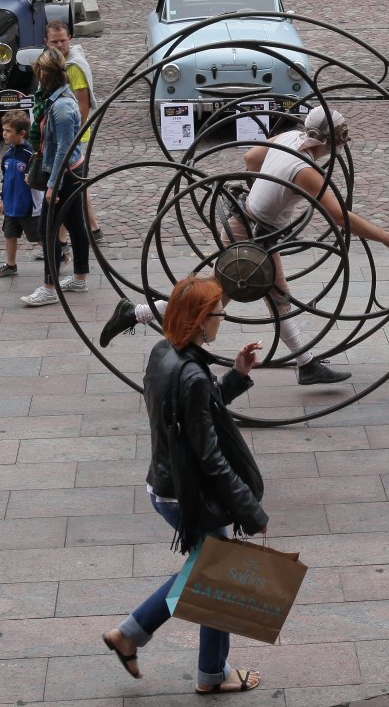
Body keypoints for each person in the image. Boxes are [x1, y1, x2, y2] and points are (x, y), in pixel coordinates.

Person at [101, 107, 389, 386]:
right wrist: (385, 236)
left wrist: (266, 187)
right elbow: (340, 217)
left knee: (262, 297)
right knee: (219, 298)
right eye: (340, 141)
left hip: (253, 227)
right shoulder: (306, 171)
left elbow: (250, 159)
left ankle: (306, 363)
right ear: (331, 141)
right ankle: (135, 312)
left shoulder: (289, 137)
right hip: (251, 235)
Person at [100, 273, 267, 695]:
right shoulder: (192, 374)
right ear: (200, 319)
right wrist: (250, 510)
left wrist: (236, 375)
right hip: (186, 495)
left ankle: (145, 641)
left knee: (209, 573)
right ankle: (202, 669)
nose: (222, 319)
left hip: (164, 484)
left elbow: (194, 414)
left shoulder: (165, 353)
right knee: (213, 577)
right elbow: (210, 457)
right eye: (219, 313)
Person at [21, 48, 91, 306]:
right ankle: (80, 279)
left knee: (47, 230)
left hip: (65, 174)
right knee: (75, 225)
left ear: (44, 74)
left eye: (39, 71)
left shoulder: (61, 106)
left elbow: (64, 148)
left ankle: (49, 287)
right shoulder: (53, 99)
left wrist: (53, 185)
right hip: (69, 171)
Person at [45, 19, 103, 244]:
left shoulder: (73, 67)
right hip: (62, 133)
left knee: (65, 185)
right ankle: (93, 228)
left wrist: (72, 136)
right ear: (46, 42)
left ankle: (60, 240)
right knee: (76, 184)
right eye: (55, 41)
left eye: (63, 40)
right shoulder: (54, 62)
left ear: (70, 38)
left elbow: (83, 104)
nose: (60, 45)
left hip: (72, 135)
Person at [0, 110, 39, 279]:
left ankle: (58, 255)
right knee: (9, 234)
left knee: (37, 236)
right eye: (3, 130)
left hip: (26, 205)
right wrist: (2, 200)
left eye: (8, 131)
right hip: (10, 203)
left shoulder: (30, 155)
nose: (4, 134)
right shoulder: (7, 156)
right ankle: (10, 265)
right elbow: (4, 180)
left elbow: (38, 179)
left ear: (22, 133)